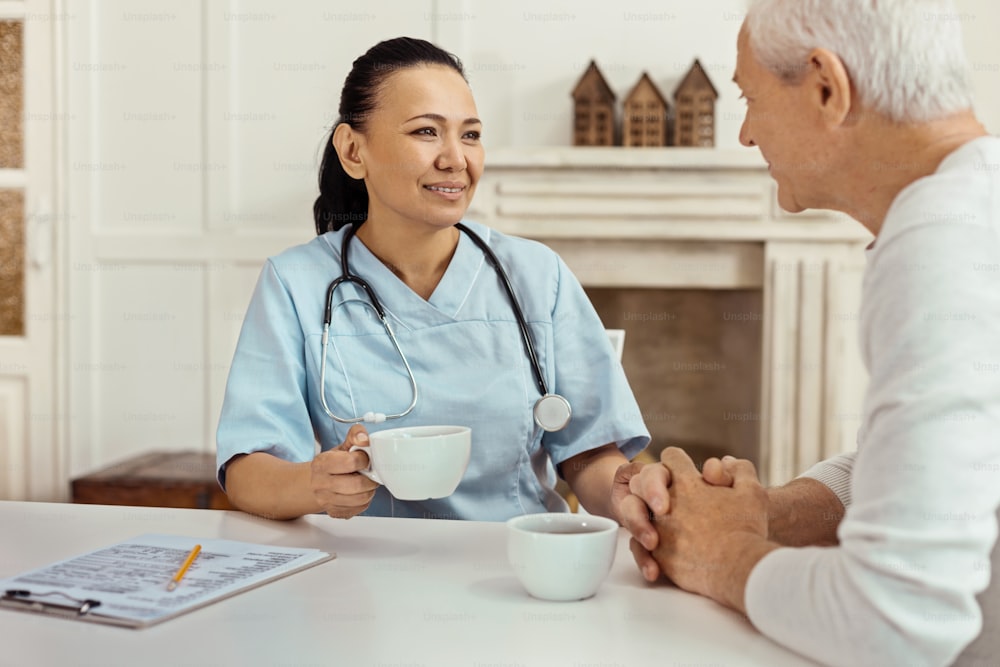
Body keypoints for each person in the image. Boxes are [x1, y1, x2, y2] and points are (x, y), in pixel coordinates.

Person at [617, 1, 1000, 665]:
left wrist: (723, 555)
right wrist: (766, 512)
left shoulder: (941, 247)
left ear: (827, 86)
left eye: (751, 98)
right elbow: (923, 462)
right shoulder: (968, 206)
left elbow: (896, 621)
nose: (745, 134)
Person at [216, 36, 649, 523]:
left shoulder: (537, 274)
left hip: (513, 565)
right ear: (353, 150)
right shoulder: (295, 284)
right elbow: (247, 466)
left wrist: (631, 496)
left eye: (470, 135)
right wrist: (316, 485)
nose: (455, 159)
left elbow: (588, 454)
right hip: (363, 578)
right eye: (426, 132)